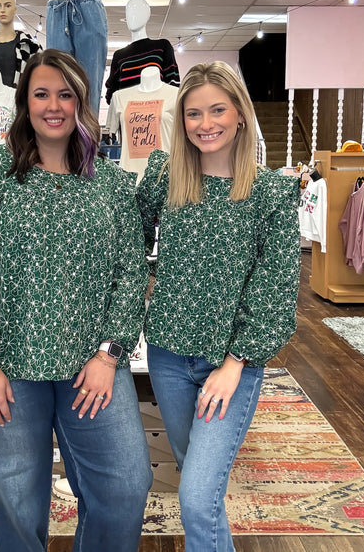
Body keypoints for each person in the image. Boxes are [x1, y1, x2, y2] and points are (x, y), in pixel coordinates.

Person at [0, 49, 152, 552]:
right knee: (16, 495)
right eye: (41, 93)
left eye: (66, 94)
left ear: (82, 104)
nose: (53, 105)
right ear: (24, 102)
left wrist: (109, 354)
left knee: (125, 483)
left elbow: (130, 274)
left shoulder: (113, 187)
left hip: (90, 365)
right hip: (1, 362)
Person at [136, 61, 300, 552]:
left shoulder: (270, 192)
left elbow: (276, 289)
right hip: (168, 357)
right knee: (199, 489)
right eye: (192, 113)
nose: (205, 123)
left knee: (194, 497)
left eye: (217, 109)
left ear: (241, 115)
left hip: (231, 364)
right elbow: (127, 243)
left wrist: (235, 364)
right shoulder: (166, 176)